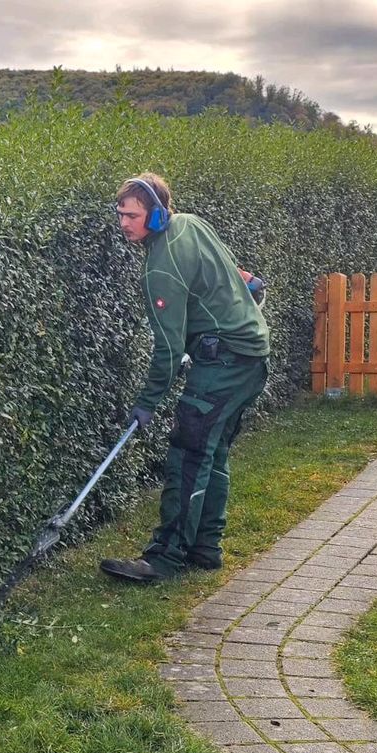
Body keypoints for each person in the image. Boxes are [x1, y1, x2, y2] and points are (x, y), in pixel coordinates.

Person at [100, 173, 270, 584]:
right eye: (120, 214)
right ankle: (205, 549)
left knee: (189, 451)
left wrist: (147, 403)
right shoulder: (193, 223)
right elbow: (244, 278)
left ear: (157, 215)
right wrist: (248, 290)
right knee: (212, 452)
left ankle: (165, 558)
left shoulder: (160, 268)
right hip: (252, 359)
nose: (124, 223)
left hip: (225, 363)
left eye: (133, 215)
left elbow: (169, 350)